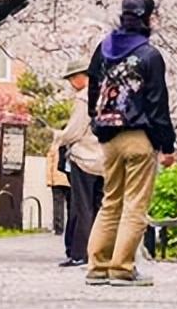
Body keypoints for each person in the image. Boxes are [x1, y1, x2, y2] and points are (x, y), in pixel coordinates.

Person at [84, 0, 177, 287]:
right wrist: (167, 145)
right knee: (135, 204)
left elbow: (92, 90)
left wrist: (96, 123)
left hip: (108, 137)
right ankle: (122, 268)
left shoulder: (103, 49)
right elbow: (157, 103)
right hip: (138, 136)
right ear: (147, 18)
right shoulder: (149, 55)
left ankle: (97, 266)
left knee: (110, 201)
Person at [51, 59, 105, 267]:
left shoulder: (84, 98)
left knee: (82, 206)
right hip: (104, 159)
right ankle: (99, 251)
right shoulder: (105, 94)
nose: (72, 83)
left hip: (84, 158)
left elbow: (75, 130)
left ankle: (81, 252)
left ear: (83, 76)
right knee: (100, 207)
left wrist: (59, 136)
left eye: (73, 78)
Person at [45, 138, 71, 245]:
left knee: (58, 205)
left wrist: (49, 180)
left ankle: (58, 228)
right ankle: (70, 227)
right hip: (69, 180)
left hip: (57, 180)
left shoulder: (54, 147)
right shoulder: (70, 145)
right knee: (71, 205)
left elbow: (49, 165)